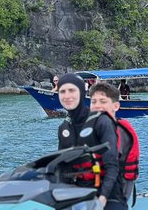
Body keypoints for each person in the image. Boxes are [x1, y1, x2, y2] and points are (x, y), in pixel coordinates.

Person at [57, 73, 127, 210]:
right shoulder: (63, 128)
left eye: (72, 90)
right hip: (80, 193)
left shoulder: (101, 121)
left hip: (109, 194)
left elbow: (112, 166)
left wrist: (102, 199)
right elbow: (62, 167)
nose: (67, 95)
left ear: (82, 93)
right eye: (62, 91)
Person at [89, 82, 139, 205]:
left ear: (116, 106)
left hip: (117, 189)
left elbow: (111, 165)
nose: (97, 106)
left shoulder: (118, 131)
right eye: (93, 102)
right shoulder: (92, 129)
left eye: (103, 101)